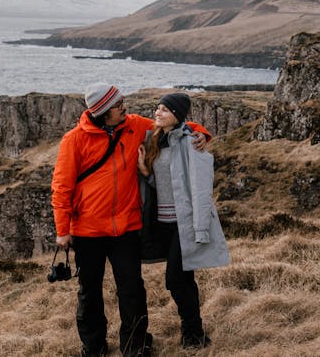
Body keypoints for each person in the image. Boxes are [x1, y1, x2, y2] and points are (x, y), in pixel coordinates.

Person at [52, 84, 210, 357]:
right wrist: (62, 230)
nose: (124, 107)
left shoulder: (134, 125)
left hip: (126, 229)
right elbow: (61, 188)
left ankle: (135, 346)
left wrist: (202, 133)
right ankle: (93, 346)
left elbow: (174, 124)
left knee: (132, 290)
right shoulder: (74, 140)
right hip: (88, 230)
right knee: (89, 292)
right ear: (103, 112)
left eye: (122, 101)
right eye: (118, 105)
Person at [136, 92, 230, 350]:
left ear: (177, 115)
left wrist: (200, 228)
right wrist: (145, 172)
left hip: (183, 223)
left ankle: (192, 332)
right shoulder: (156, 139)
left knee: (175, 279)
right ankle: (195, 336)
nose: (158, 113)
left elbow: (200, 189)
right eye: (158, 108)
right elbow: (164, 185)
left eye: (165, 110)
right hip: (163, 223)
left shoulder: (191, 143)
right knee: (185, 279)